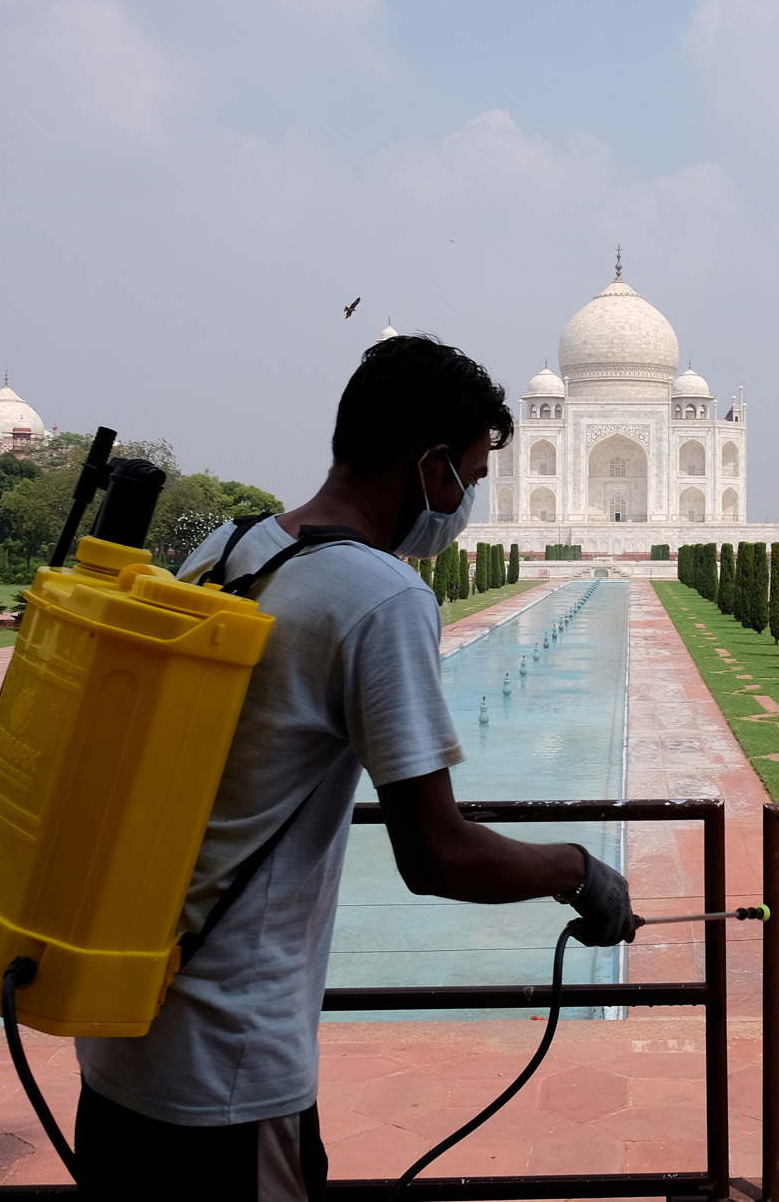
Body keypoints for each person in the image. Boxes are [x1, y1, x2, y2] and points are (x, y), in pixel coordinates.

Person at [74, 336, 636, 1200]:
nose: (467, 504)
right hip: (228, 1066)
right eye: (472, 479)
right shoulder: (379, 595)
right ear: (432, 467)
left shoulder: (227, 551)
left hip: (119, 1034)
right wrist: (578, 871)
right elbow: (435, 854)